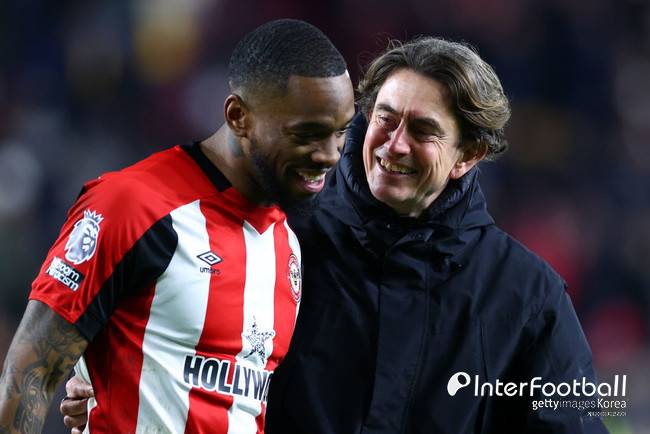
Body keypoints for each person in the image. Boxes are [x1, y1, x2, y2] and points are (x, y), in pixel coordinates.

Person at [62, 38, 608, 434]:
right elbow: (176, 349)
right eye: (385, 119)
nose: (394, 144)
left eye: (422, 131)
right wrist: (106, 380)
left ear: (469, 154)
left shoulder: (526, 296)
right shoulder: (276, 233)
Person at [0, 18, 355, 434]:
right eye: (307, 134)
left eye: (340, 132)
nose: (329, 155)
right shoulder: (132, 208)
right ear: (238, 116)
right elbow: (30, 378)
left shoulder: (285, 244)